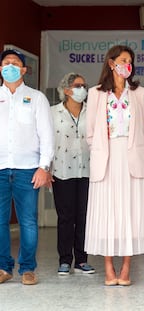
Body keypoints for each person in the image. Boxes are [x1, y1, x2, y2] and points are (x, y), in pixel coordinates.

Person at [84, 45, 144, 286]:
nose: (128, 64)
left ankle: (126, 267)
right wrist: (100, 150)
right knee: (107, 210)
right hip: (106, 157)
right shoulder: (95, 93)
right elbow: (90, 131)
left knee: (130, 211)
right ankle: (108, 267)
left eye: (130, 61)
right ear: (111, 63)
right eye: (123, 60)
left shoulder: (137, 92)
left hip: (131, 158)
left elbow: (143, 128)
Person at [0, 49, 54, 285]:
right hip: (0, 168)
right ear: (0, 69)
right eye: (6, 63)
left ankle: (28, 269)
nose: (10, 66)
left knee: (28, 222)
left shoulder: (36, 98)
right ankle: (3, 267)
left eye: (15, 63)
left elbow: (47, 135)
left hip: (28, 170)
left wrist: (44, 166)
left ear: (24, 69)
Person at [51, 72, 95, 276]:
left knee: (84, 216)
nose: (83, 89)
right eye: (78, 85)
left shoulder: (92, 111)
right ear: (66, 90)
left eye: (84, 85)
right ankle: (65, 260)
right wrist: (45, 167)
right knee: (66, 216)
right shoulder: (53, 113)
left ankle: (82, 259)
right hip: (62, 170)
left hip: (88, 170)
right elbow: (47, 140)